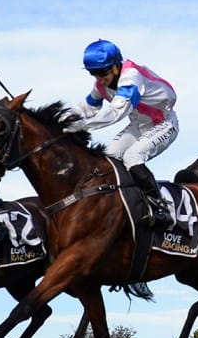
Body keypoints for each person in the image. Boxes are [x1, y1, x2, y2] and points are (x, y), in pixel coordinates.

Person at [63, 39, 177, 228]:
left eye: (102, 72)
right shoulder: (101, 85)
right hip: (139, 124)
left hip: (165, 123)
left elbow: (116, 112)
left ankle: (162, 209)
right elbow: (87, 107)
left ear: (117, 66)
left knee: (132, 156)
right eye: (93, 73)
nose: (99, 78)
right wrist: (62, 118)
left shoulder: (131, 77)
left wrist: (83, 126)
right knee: (108, 159)